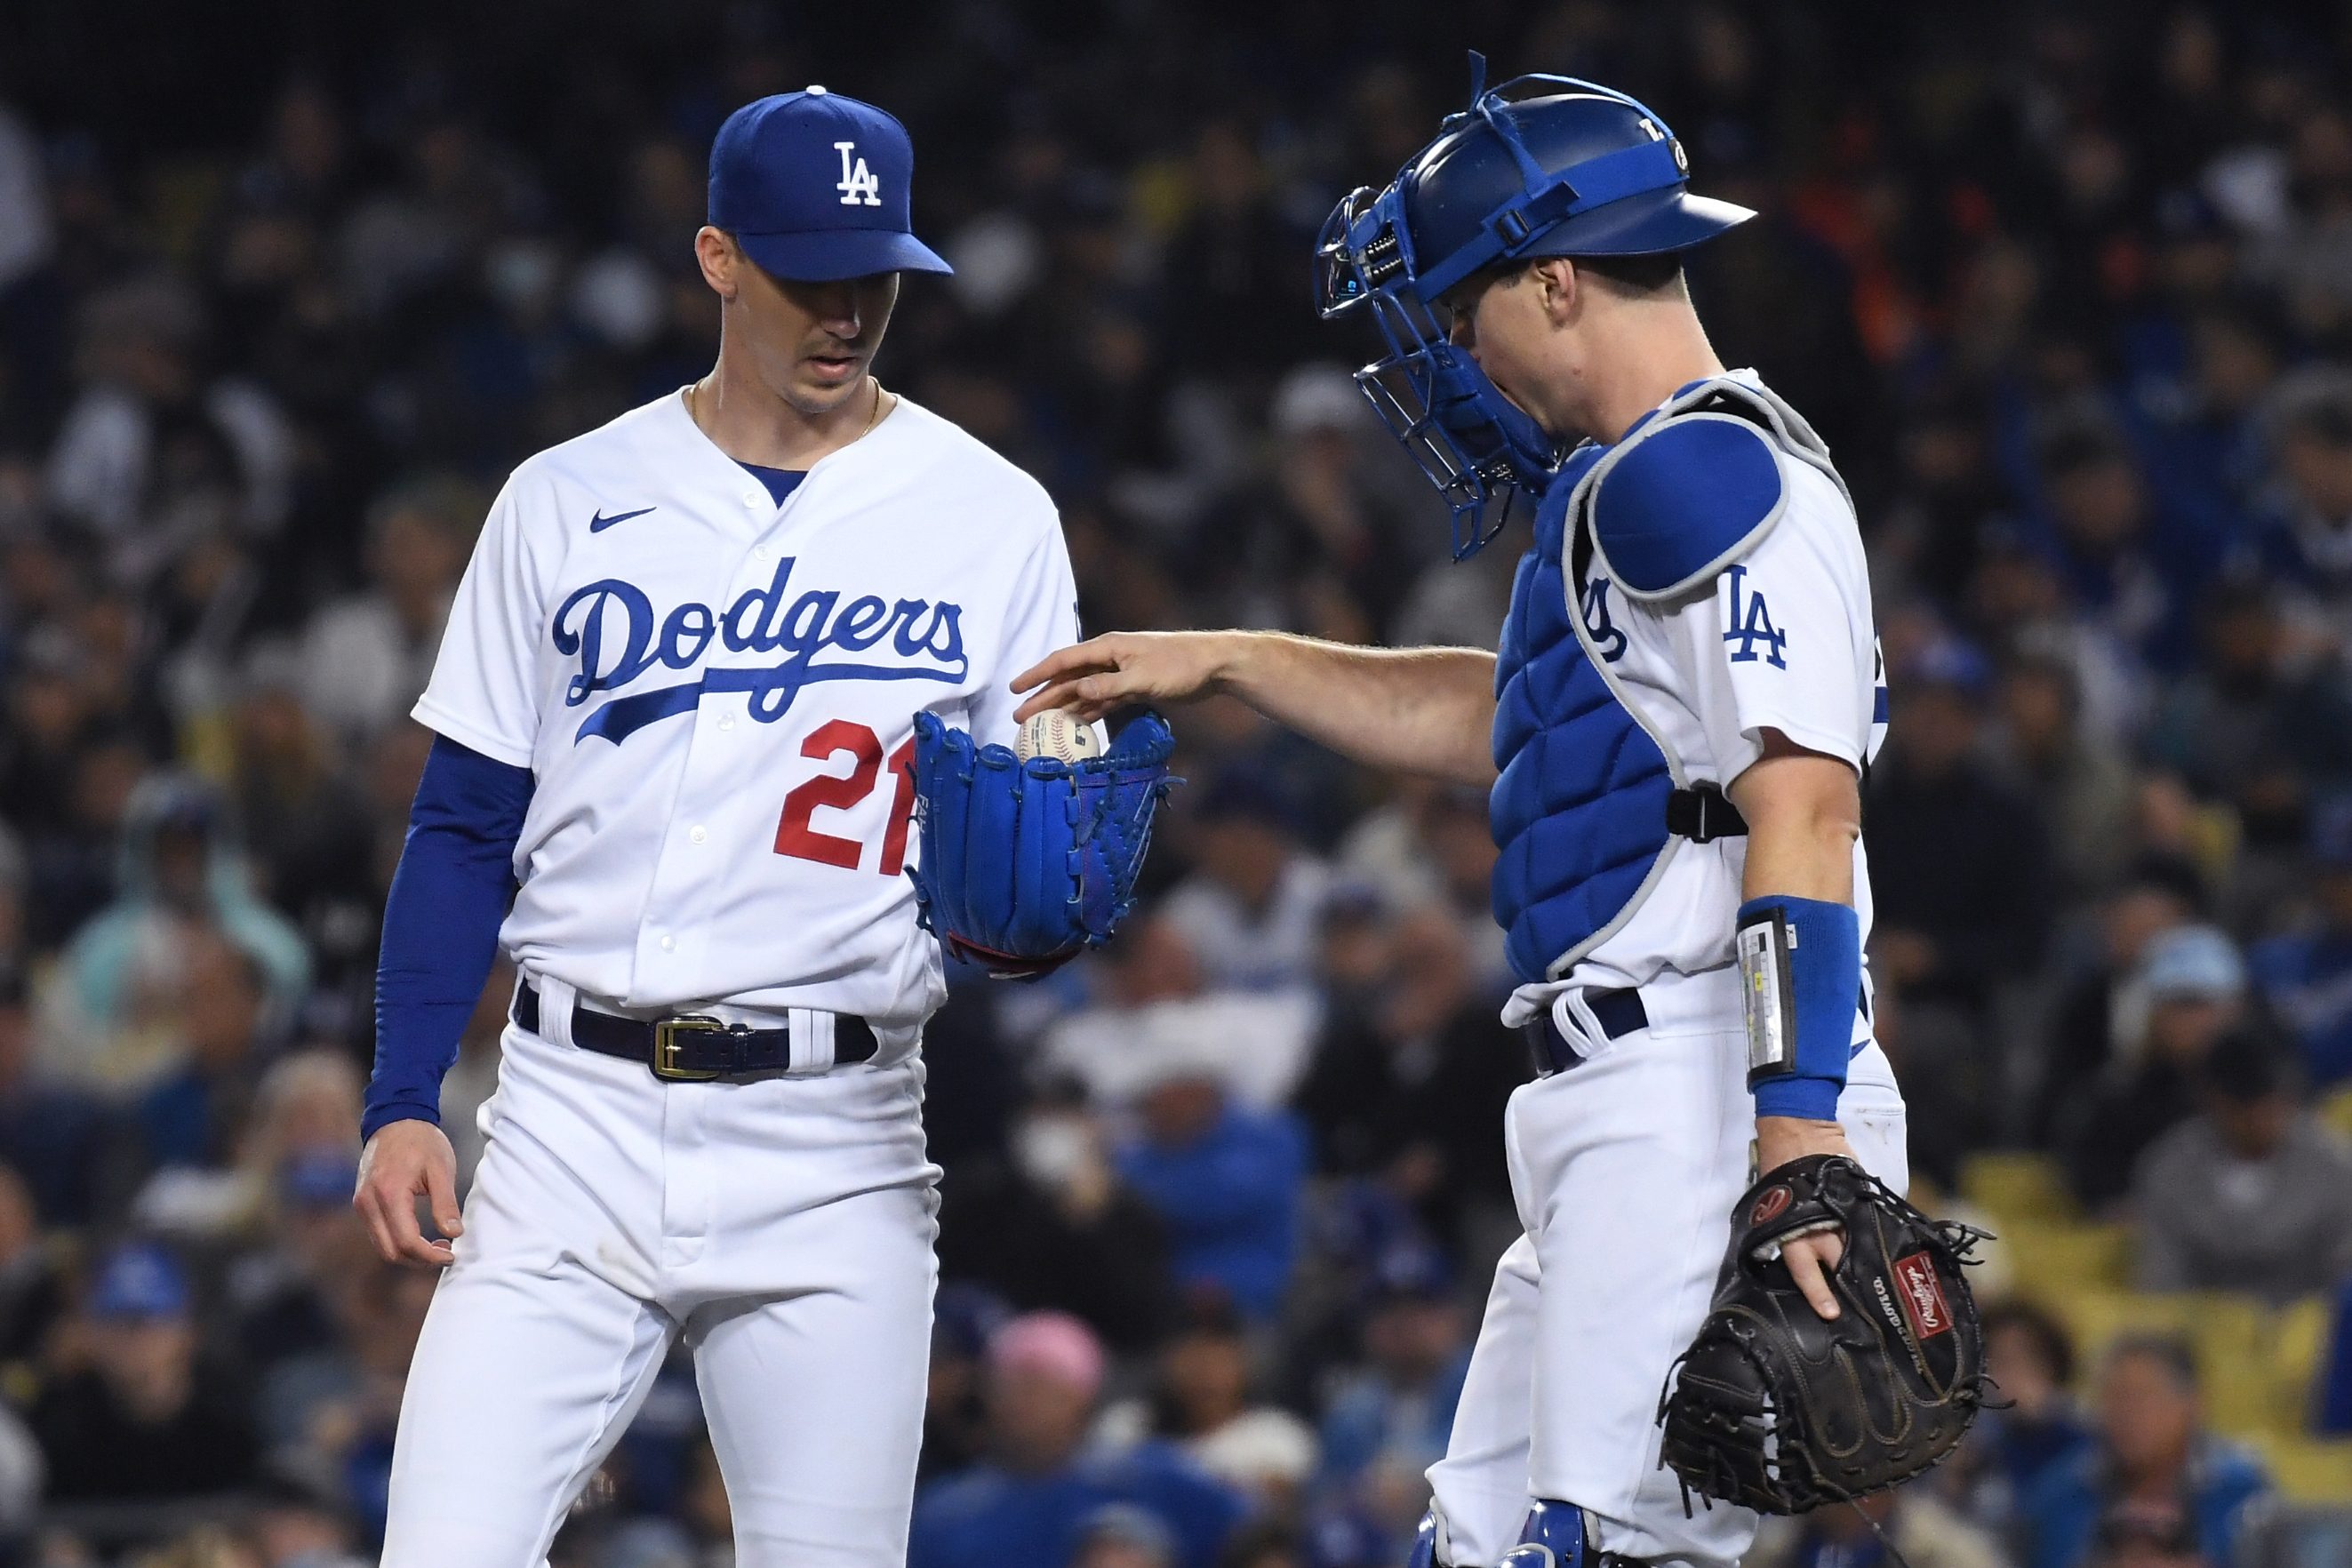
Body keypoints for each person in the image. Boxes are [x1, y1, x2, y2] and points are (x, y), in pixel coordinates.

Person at [1016, 68, 1908, 1568]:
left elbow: (1804, 811)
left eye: (1462, 302)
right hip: (1619, 1088)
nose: (1457, 350)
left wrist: (1799, 1132)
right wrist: (1236, 657)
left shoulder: (1709, 473)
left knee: (1601, 1550)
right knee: (1486, 1547)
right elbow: (1529, 720)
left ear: (1555, 279)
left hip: (1706, 1080)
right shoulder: (1637, 477)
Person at [352, 88, 1082, 1568]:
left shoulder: (993, 515)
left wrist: (1037, 907)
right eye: (811, 272)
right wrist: (402, 1089)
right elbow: (461, 821)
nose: (847, 311)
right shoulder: (564, 499)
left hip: (840, 1129)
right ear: (717, 257)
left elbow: (1040, 839)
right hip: (570, 1119)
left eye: (872, 274)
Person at [2132, 1028, 2352, 1300]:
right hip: (2204, 1327)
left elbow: (2343, 1276)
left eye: (2273, 1103)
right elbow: (2163, 1280)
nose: (2262, 1118)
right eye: (2246, 1107)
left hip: (2309, 1328)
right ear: (2213, 1100)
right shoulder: (2170, 1167)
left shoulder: (2333, 1163)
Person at [2020, 1335, 2268, 1568]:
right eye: (2114, 1397)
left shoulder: (2242, 1494)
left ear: (2192, 1404)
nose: (2127, 1414)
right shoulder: (2059, 1492)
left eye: (2143, 1396)